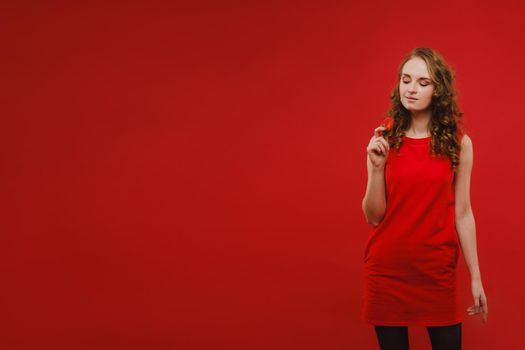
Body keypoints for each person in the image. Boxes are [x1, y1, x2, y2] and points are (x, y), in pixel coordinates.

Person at [360, 47, 488, 350]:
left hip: (435, 271)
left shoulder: (459, 142)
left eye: (422, 82)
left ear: (438, 90)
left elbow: (463, 213)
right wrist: (377, 169)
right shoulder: (384, 137)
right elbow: (373, 216)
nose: (411, 89)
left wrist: (475, 278)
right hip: (387, 270)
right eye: (406, 80)